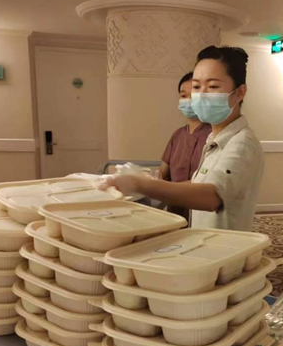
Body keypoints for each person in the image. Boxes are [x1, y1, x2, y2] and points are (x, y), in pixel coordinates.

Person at [104, 46, 265, 231]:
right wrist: (153, 182)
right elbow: (200, 183)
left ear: (240, 93)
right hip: (205, 240)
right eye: (196, 87)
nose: (201, 94)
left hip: (226, 244)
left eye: (213, 86)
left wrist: (140, 185)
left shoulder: (242, 143)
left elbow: (212, 196)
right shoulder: (214, 139)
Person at [159, 72, 212, 221]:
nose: (188, 101)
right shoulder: (177, 135)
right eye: (183, 96)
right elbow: (162, 172)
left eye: (193, 96)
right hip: (175, 209)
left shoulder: (213, 135)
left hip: (202, 210)